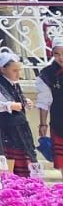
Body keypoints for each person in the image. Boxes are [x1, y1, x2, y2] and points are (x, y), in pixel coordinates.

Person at [0, 49, 37, 177]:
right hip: (9, 130)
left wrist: (25, 101)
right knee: (15, 160)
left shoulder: (14, 85)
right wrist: (9, 105)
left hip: (20, 127)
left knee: (27, 155)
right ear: (2, 69)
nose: (18, 74)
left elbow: (17, 99)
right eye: (14, 70)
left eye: (19, 70)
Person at [35, 41, 63, 170]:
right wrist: (43, 123)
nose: (60, 58)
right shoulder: (48, 74)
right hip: (59, 121)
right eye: (57, 54)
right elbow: (44, 101)